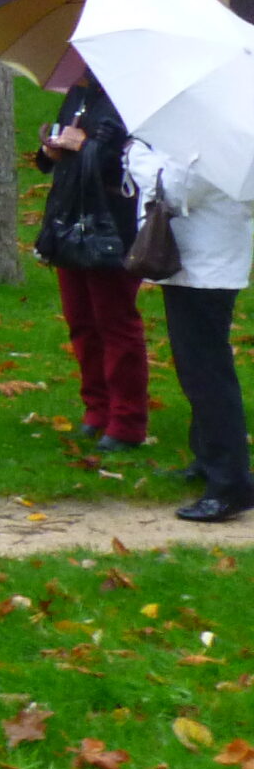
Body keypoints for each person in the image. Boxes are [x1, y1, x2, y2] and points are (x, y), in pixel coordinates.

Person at [124, 137, 254, 524]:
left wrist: (136, 156)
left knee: (207, 375)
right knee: (199, 370)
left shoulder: (213, 138)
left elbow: (175, 189)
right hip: (200, 265)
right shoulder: (216, 134)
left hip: (206, 270)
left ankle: (229, 482)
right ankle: (208, 460)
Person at [35, 73, 147, 450]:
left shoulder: (133, 98)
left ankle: (127, 420)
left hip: (111, 222)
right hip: (71, 217)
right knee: (80, 320)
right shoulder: (79, 92)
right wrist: (51, 150)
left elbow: (132, 162)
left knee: (115, 321)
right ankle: (96, 409)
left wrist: (83, 146)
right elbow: (59, 152)